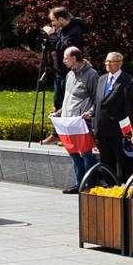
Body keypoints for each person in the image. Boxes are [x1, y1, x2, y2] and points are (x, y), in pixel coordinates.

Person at [52, 46, 102, 192]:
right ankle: (79, 183)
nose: (63, 61)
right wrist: (59, 113)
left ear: (74, 58)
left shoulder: (91, 74)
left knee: (86, 153)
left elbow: (96, 99)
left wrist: (90, 112)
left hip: (81, 122)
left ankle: (90, 184)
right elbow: (68, 99)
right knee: (73, 153)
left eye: (66, 58)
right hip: (68, 122)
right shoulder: (69, 75)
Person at [95, 51, 133, 183]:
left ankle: (123, 191)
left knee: (122, 163)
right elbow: (97, 102)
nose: (108, 64)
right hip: (102, 130)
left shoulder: (129, 81)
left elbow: (129, 109)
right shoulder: (101, 79)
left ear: (120, 63)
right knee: (106, 163)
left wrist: (126, 133)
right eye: (106, 61)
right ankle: (110, 190)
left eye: (111, 61)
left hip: (118, 131)